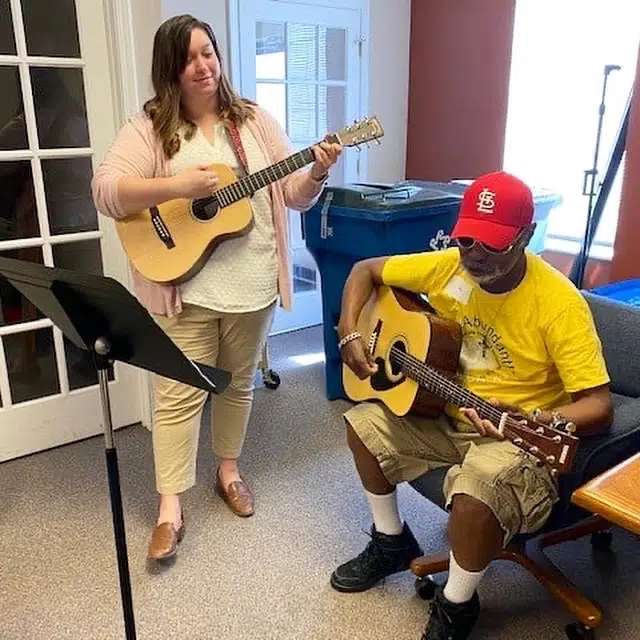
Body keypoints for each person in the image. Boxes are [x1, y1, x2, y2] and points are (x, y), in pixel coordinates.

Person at [91, 14, 342, 561]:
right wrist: (178, 186)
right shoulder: (150, 127)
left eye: (208, 52)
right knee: (177, 394)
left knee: (237, 385)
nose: (202, 66)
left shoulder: (253, 121)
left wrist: (317, 172)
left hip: (253, 285)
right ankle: (170, 507)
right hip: (185, 290)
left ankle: (229, 472)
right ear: (169, 69)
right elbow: (106, 191)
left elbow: (294, 194)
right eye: (188, 58)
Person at [331, 170, 613, 639]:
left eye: (492, 244)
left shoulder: (559, 304)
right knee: (362, 424)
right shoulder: (448, 266)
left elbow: (598, 405)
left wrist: (538, 418)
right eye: (466, 240)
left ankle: (456, 604)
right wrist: (349, 331)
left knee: (475, 493)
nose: (475, 255)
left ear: (525, 236)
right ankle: (390, 541)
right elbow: (365, 270)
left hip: (514, 435)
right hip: (442, 413)